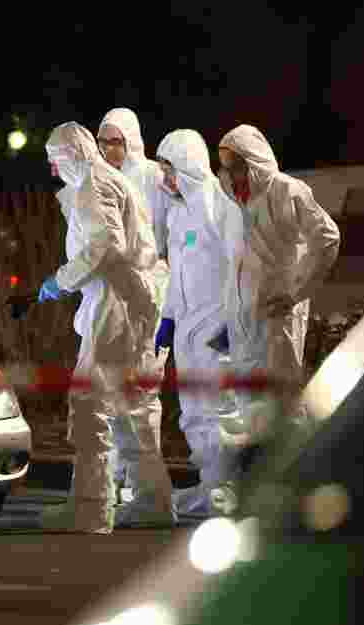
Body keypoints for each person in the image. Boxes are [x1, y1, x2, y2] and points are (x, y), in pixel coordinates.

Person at [37, 121, 176, 533]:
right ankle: (153, 501)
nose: (53, 171)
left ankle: (91, 507)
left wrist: (59, 281)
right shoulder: (111, 179)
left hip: (117, 300)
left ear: (70, 156)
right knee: (132, 407)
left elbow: (104, 247)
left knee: (89, 402)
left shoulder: (93, 186)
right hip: (137, 300)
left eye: (55, 161)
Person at [212, 124, 341, 510]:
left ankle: (307, 482)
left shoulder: (289, 191)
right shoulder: (232, 198)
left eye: (234, 164)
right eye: (224, 165)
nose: (228, 172)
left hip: (277, 314)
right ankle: (251, 489)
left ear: (253, 162)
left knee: (281, 401)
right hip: (242, 314)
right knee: (246, 400)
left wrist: (296, 291)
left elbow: (327, 239)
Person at [150, 129, 238, 519]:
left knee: (219, 410)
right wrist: (167, 318)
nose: (165, 178)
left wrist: (233, 325)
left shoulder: (221, 208)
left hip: (216, 325)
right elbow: (177, 271)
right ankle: (210, 485)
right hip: (187, 326)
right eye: (163, 170)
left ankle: (227, 492)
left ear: (187, 165)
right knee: (193, 411)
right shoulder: (178, 212)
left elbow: (242, 270)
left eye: (170, 169)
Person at [95, 107, 172, 512]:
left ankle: (150, 494)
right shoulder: (101, 180)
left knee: (141, 393)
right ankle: (130, 482)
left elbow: (163, 238)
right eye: (103, 140)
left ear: (132, 141)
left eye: (116, 141)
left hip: (148, 290)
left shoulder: (153, 179)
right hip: (118, 293)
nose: (109, 149)